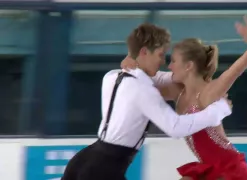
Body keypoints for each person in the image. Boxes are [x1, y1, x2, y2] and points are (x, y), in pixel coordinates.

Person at [61, 23, 233, 180]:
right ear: (144, 52)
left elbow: (165, 78)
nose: (163, 61)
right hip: (104, 171)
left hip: (83, 161)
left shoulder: (113, 76)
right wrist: (219, 110)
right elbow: (175, 128)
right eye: (160, 55)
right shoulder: (143, 90)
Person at [121, 16, 247, 180]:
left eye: (173, 61)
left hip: (228, 168)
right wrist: (133, 58)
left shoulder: (209, 92)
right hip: (207, 167)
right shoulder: (176, 91)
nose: (169, 66)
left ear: (188, 66)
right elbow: (140, 82)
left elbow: (234, 71)